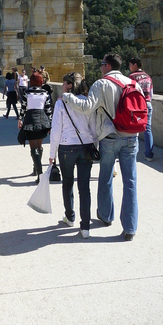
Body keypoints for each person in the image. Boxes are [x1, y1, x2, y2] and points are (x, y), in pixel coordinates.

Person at [61, 53, 144, 241]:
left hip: (109, 137)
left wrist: (68, 97)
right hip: (131, 138)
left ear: (107, 66)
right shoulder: (133, 83)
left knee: (105, 177)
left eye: (101, 63)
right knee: (130, 182)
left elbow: (87, 107)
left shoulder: (101, 84)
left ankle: (106, 216)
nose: (100, 67)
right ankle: (130, 227)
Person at [49, 72, 98, 238]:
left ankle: (70, 217)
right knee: (84, 188)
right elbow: (93, 129)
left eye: (64, 84)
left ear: (69, 86)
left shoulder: (61, 104)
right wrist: (94, 146)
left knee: (67, 183)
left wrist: (51, 153)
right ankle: (85, 227)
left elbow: (56, 130)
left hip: (66, 147)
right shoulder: (87, 102)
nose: (62, 87)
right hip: (86, 147)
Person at [18, 71, 54, 183]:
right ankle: (36, 169)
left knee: (33, 148)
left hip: (30, 120)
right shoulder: (45, 93)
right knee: (39, 147)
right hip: (43, 120)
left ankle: (39, 173)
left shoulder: (26, 92)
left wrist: (20, 119)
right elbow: (48, 110)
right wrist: (51, 124)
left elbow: (23, 108)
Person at [128, 57, 154, 161]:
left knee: (134, 129)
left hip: (137, 105)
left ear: (135, 65)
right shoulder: (148, 77)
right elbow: (151, 93)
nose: (129, 67)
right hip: (147, 104)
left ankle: (132, 152)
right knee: (147, 129)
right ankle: (149, 155)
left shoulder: (132, 77)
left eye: (130, 65)